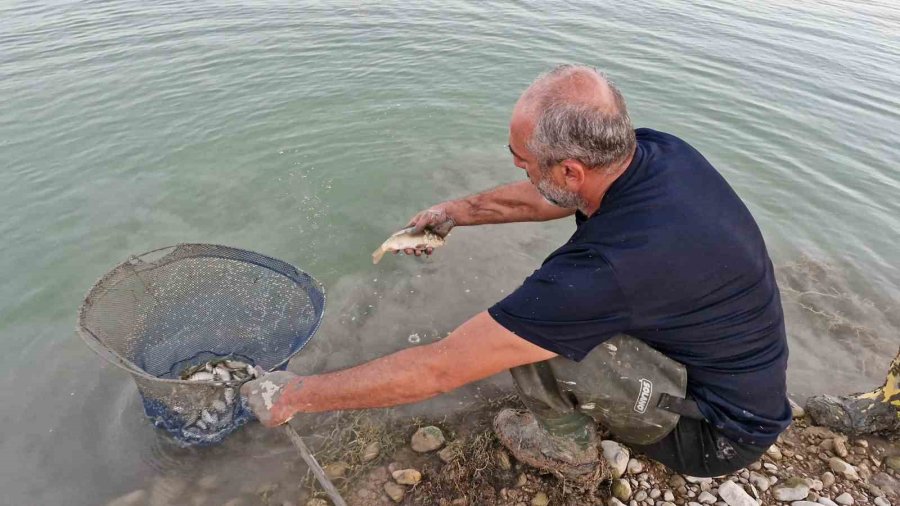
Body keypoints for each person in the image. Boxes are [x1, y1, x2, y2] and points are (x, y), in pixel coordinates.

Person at [242, 64, 791, 481]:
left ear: (572, 168)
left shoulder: (607, 270)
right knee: (546, 315)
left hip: (714, 433)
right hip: (730, 373)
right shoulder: (657, 154)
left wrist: (295, 396)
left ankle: (571, 452)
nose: (516, 166)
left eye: (521, 158)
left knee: (530, 336)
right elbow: (550, 198)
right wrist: (456, 212)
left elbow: (439, 368)